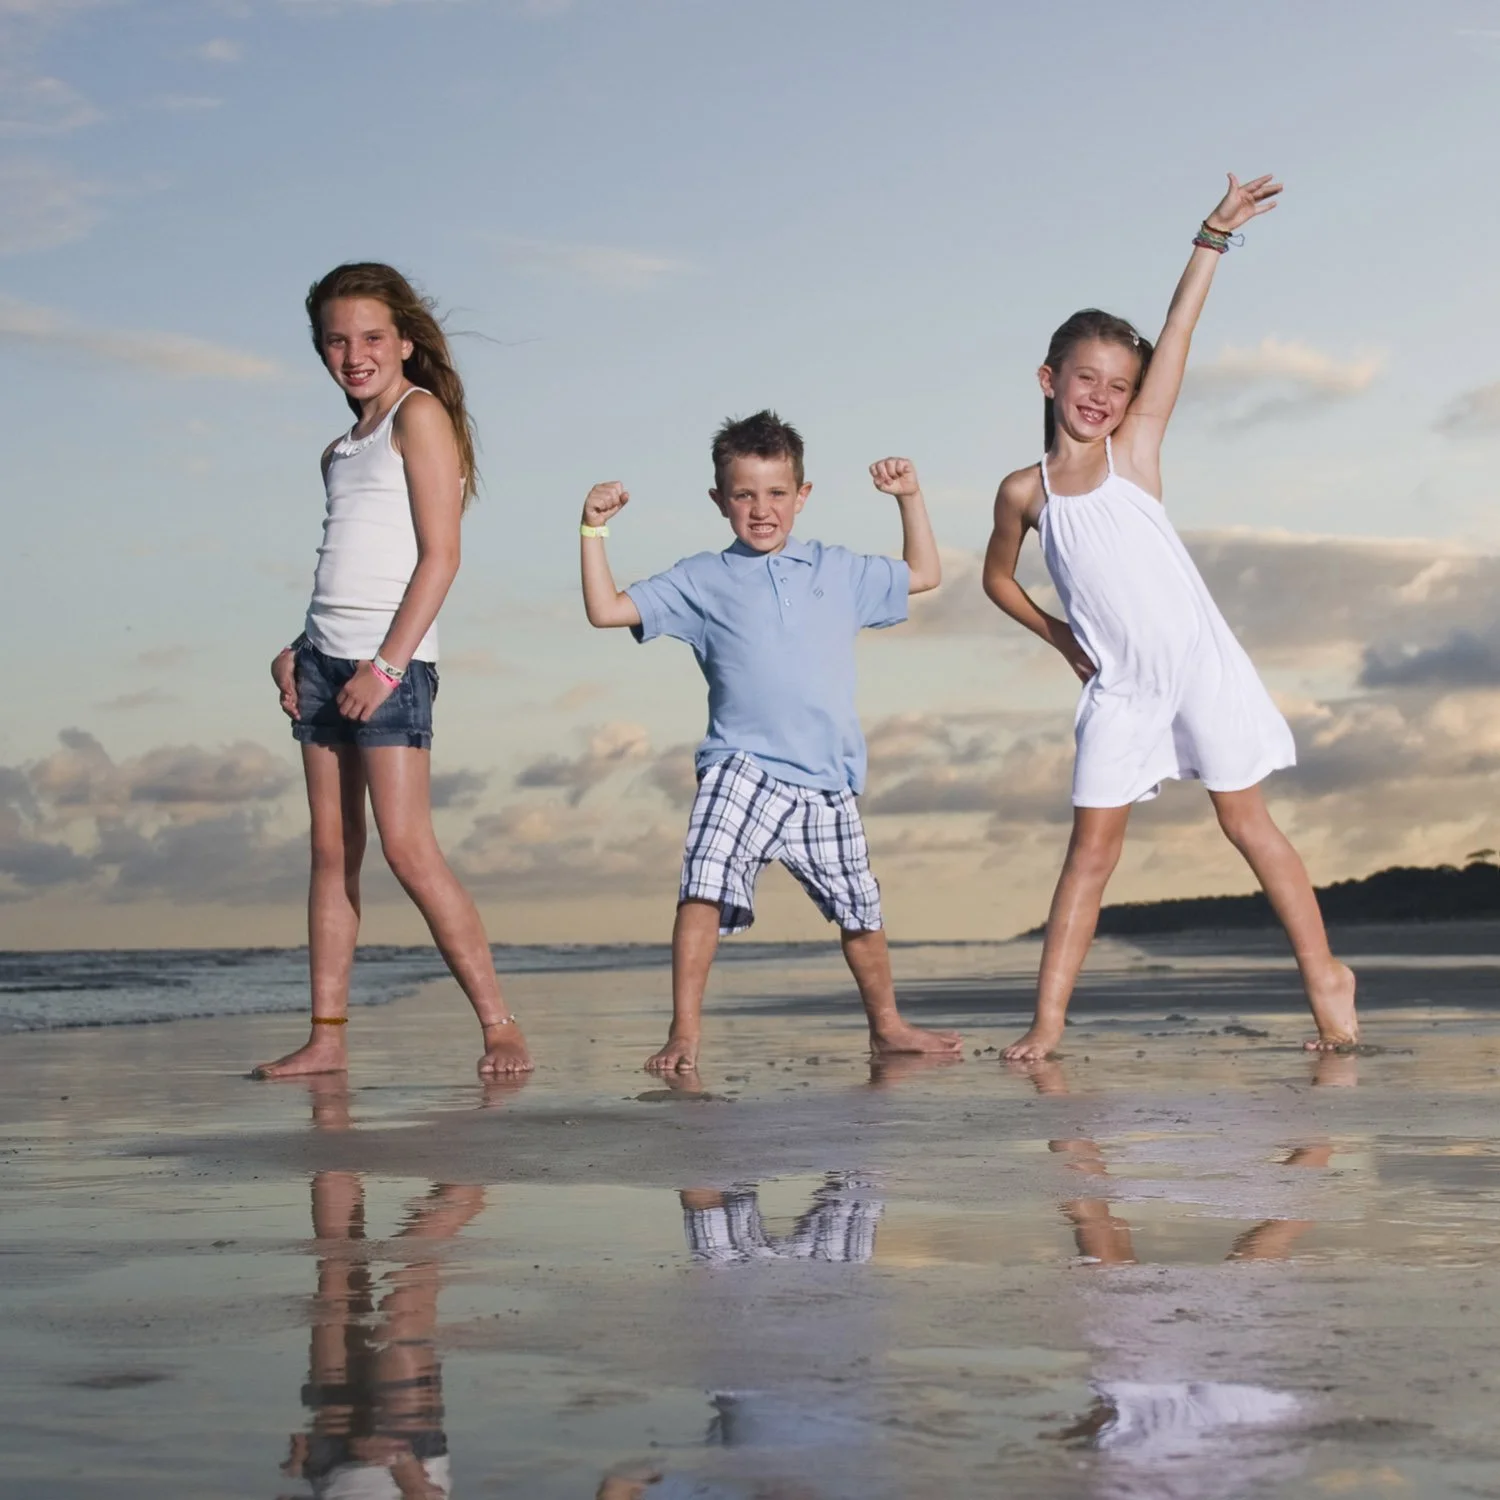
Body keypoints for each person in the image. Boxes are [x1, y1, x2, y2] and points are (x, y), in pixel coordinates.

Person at [982, 175, 1358, 1061]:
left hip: (1199, 667)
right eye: (1088, 379)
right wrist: (1060, 635)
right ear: (1049, 379)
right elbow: (997, 581)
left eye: (1121, 385)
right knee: (1091, 855)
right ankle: (1047, 1024)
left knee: (1245, 822)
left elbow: (1180, 331)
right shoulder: (1024, 492)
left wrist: (1211, 238)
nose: (1103, 397)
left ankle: (1324, 976)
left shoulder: (1135, 452)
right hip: (1122, 689)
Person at [580, 410, 963, 1072]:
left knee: (860, 912)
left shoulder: (839, 570)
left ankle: (888, 1026)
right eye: (745, 494)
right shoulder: (701, 580)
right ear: (719, 500)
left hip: (827, 778)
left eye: (777, 493)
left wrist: (909, 498)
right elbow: (606, 609)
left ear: (803, 495)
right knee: (703, 882)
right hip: (742, 766)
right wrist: (593, 527)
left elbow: (924, 573)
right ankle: (685, 1034)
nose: (762, 509)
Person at [256, 263, 530, 1081]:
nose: (354, 353)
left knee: (409, 850)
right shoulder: (340, 448)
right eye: (336, 341)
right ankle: (328, 1036)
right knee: (332, 854)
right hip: (321, 661)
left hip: (389, 667)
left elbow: (441, 558)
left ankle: (500, 1025)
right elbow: (349, 562)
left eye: (371, 337)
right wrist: (295, 646)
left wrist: (384, 665)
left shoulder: (421, 417)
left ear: (404, 342)